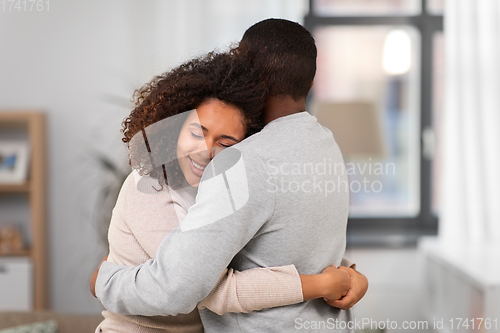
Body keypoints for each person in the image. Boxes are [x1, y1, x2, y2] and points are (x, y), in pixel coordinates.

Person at [93, 19, 368, 332]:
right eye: (199, 131)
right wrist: (341, 278)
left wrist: (103, 280)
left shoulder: (243, 162)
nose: (209, 150)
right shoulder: (326, 146)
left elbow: (182, 287)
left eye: (225, 141)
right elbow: (286, 242)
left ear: (245, 69)